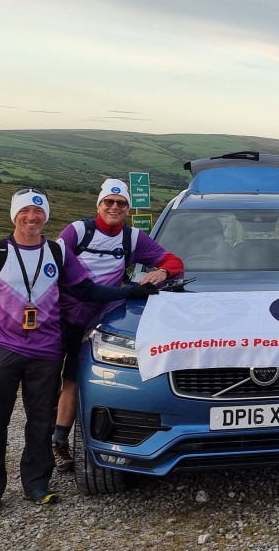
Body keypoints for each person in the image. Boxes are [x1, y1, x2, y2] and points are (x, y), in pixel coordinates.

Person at [0, 187, 158, 512]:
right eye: (25, 211)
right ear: (15, 215)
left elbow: (87, 290)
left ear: (46, 216)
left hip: (47, 352)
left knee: (39, 423)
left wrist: (134, 291)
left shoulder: (58, 253)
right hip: (2, 352)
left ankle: (36, 485)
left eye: (39, 212)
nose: (32, 217)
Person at [51, 178, 184, 471]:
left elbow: (174, 261)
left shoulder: (132, 238)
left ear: (127, 208)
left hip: (94, 324)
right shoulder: (77, 231)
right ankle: (39, 444)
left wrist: (161, 271)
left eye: (121, 203)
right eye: (108, 202)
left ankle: (59, 443)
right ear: (99, 205)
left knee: (72, 382)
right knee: (45, 382)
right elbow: (52, 264)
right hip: (58, 318)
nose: (114, 207)